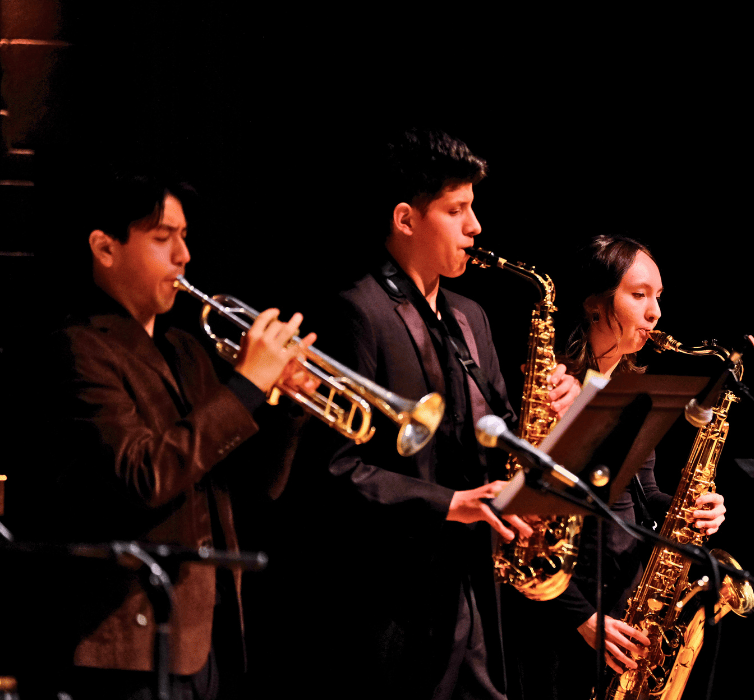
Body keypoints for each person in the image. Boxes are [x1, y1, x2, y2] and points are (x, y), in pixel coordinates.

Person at [4, 170, 319, 700]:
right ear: (105, 249)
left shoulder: (188, 351)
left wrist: (284, 407)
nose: (184, 255)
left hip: (207, 638)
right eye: (161, 238)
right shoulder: (77, 349)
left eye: (185, 236)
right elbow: (141, 476)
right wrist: (244, 387)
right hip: (125, 648)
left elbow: (252, 490)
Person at [309, 127, 579, 700]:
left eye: (473, 208)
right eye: (456, 210)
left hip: (473, 594)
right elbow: (333, 470)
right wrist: (451, 504)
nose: (475, 227)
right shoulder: (358, 313)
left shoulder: (471, 317)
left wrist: (550, 415)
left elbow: (503, 433)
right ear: (406, 220)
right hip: (392, 605)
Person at [503, 235, 727, 700]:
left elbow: (642, 493)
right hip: (558, 623)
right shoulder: (550, 387)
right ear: (595, 305)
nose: (655, 313)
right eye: (639, 295)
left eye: (658, 297)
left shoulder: (631, 387)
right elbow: (521, 529)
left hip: (622, 609)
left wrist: (692, 509)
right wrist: (582, 618)